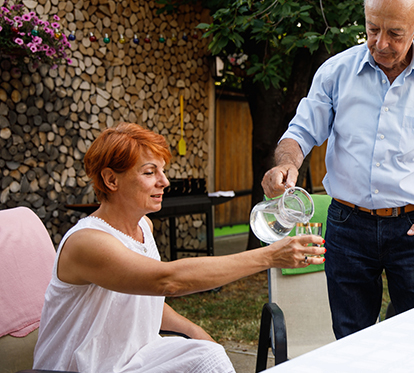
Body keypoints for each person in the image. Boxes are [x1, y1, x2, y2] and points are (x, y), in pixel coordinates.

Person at [261, 0, 414, 339]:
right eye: (373, 29)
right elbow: (300, 133)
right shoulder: (335, 72)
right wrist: (285, 164)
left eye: (395, 33)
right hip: (348, 226)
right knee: (350, 338)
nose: (381, 43)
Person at [34, 123, 324, 372]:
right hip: (83, 366)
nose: (165, 181)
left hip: (134, 357)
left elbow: (141, 301)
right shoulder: (88, 242)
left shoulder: (144, 227)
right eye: (150, 172)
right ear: (111, 179)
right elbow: (167, 281)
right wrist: (270, 256)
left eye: (162, 170)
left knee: (208, 356)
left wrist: (194, 331)